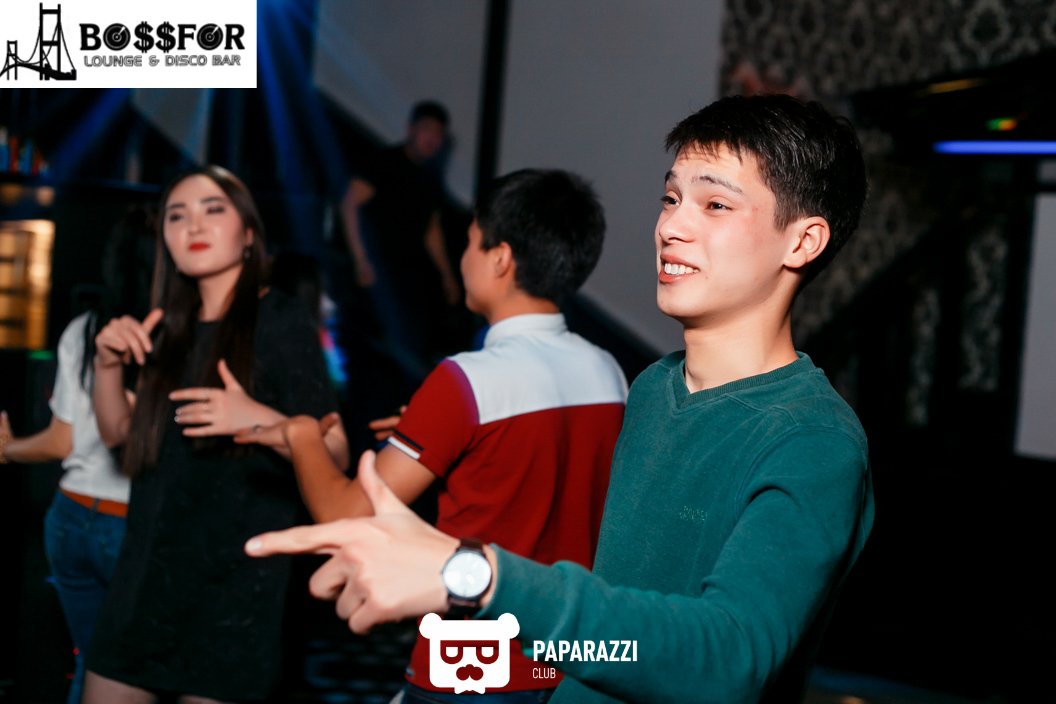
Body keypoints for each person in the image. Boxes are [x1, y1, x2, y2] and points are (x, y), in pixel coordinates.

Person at [248, 94, 875, 704]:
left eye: (714, 204)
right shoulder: (654, 387)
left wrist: (479, 577)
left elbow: (727, 664)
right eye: (670, 198)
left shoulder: (812, 440)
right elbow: (611, 634)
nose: (670, 227)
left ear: (802, 242)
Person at [239, 169, 628, 702]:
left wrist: (301, 434)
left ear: (500, 258)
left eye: (469, 241)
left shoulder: (465, 380)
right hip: (567, 659)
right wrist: (446, 431)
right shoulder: (608, 371)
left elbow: (346, 515)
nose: (462, 258)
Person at [82, 165, 349, 704]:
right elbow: (118, 434)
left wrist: (259, 421)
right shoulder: (165, 327)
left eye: (213, 210)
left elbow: (337, 453)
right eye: (176, 216)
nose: (193, 226)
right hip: (145, 582)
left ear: (248, 233)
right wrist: (106, 365)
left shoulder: (279, 320)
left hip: (234, 592)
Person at [0, 205, 155, 704]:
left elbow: (59, 443)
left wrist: (7, 449)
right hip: (130, 528)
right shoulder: (175, 337)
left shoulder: (85, 330)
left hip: (69, 521)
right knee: (132, 675)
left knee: (94, 664)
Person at [337, 100, 462, 381]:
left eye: (438, 134)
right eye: (427, 129)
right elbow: (349, 203)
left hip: (408, 280)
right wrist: (360, 259)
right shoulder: (385, 162)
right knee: (369, 356)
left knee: (404, 357)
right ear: (411, 129)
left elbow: (432, 230)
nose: (432, 139)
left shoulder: (431, 178)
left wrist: (447, 276)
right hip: (375, 277)